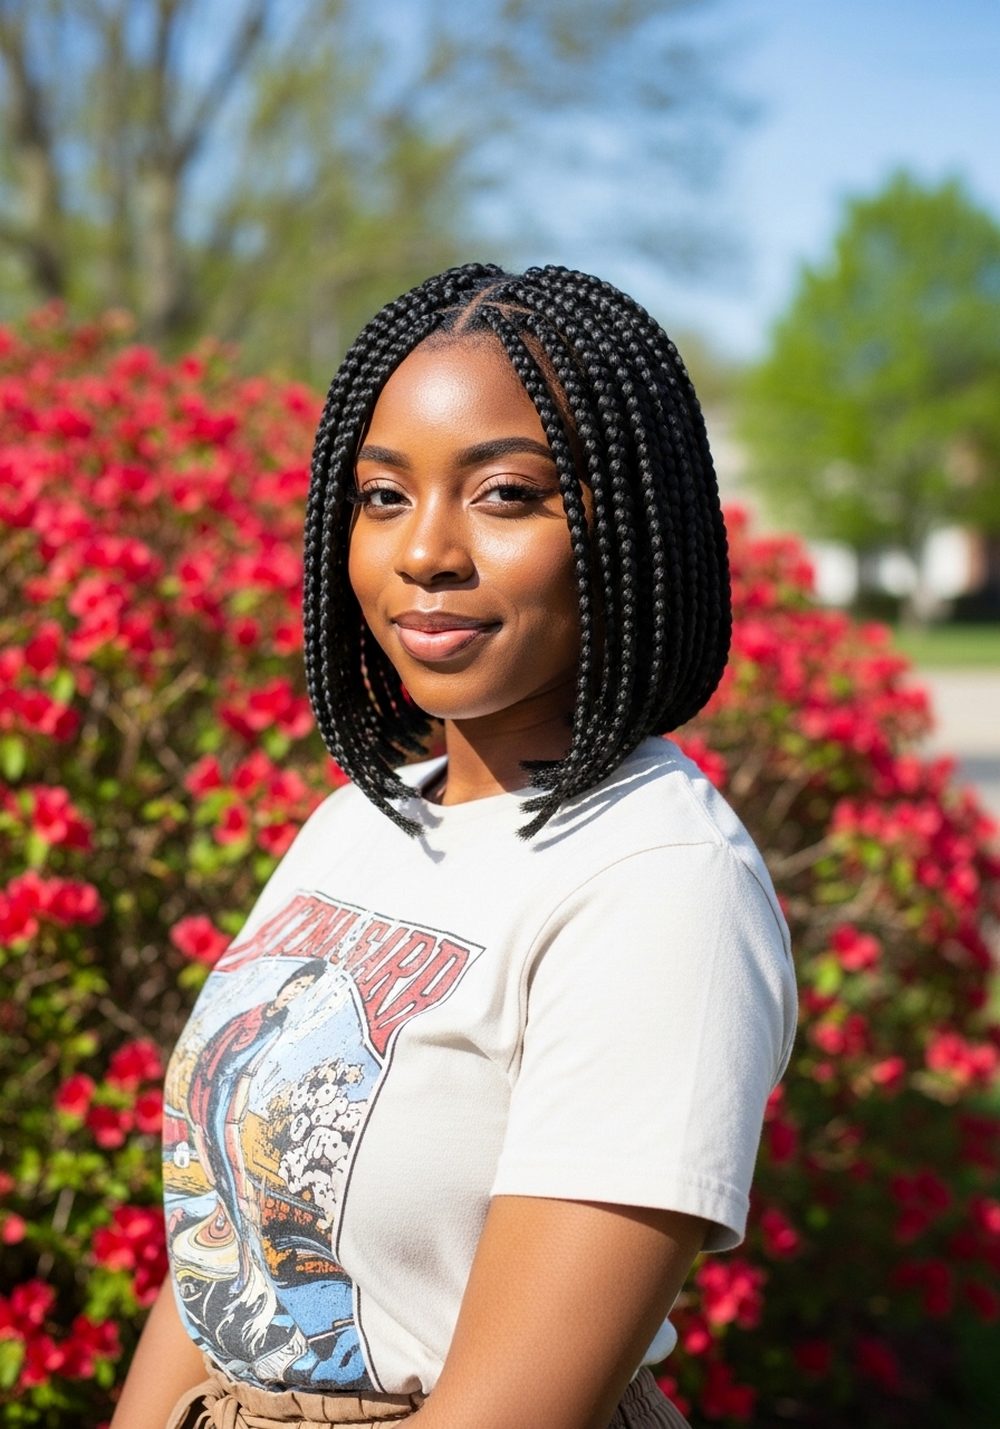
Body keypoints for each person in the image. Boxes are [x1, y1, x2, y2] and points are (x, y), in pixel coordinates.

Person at [111, 264, 797, 1429]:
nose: (425, 551)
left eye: (506, 494)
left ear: (628, 526)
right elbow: (229, 1248)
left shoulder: (656, 882)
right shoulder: (360, 823)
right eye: (384, 496)